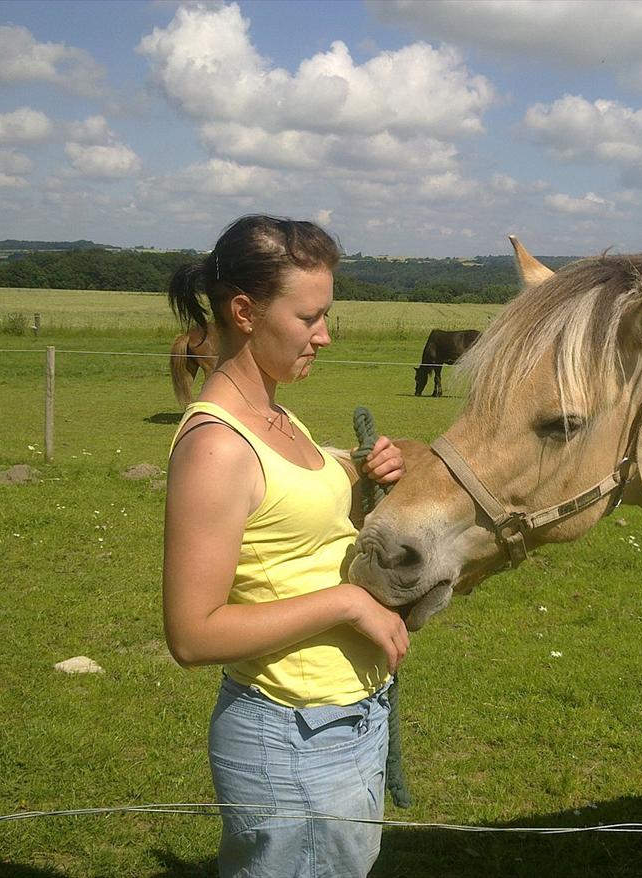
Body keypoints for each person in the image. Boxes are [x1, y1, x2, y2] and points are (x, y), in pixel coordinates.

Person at [162, 214, 409, 878]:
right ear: (244, 312)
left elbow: (293, 532)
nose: (324, 336)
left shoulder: (278, 415)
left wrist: (362, 476)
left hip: (345, 722)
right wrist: (347, 605)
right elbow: (193, 634)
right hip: (293, 740)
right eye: (309, 318)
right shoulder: (217, 447)